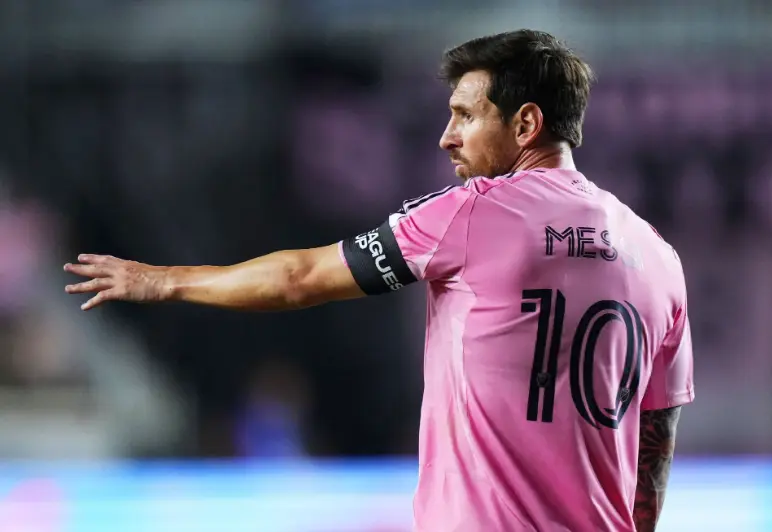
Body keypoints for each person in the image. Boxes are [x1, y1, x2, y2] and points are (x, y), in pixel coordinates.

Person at [65, 30, 694, 532]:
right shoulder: (659, 257)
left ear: (526, 124)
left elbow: (300, 278)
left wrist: (165, 282)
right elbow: (656, 439)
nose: (447, 138)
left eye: (465, 116)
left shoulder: (474, 214)